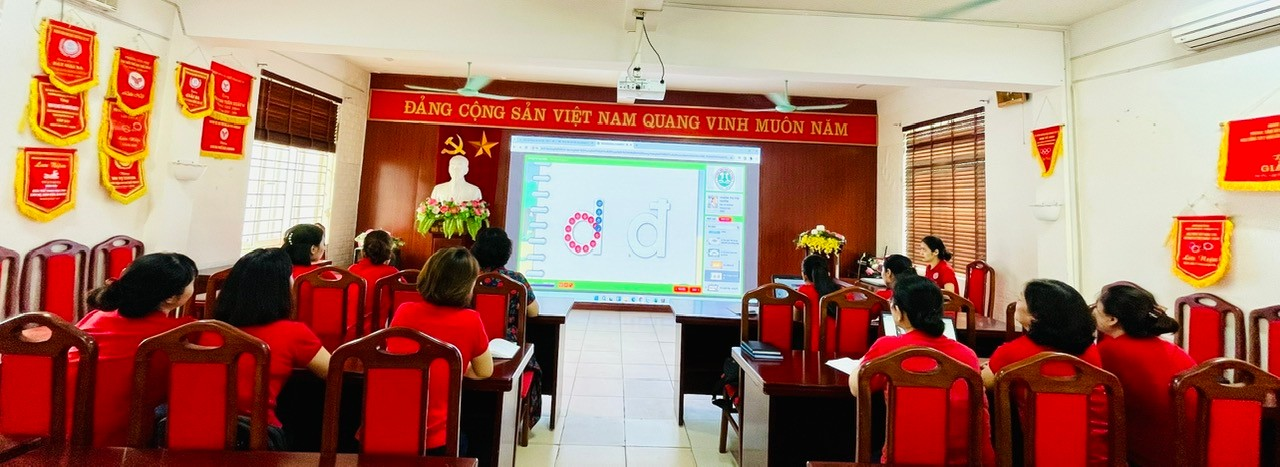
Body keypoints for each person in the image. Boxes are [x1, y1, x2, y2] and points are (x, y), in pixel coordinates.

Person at [851, 274, 995, 466]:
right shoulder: (966, 354)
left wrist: (862, 361)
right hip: (962, 461)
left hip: (901, 460)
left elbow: (856, 387)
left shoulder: (887, 347)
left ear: (898, 312)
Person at [69, 253, 197, 447]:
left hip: (66, 428)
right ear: (172, 297)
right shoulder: (182, 333)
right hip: (123, 438)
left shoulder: (96, 317)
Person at [982, 279, 1109, 466]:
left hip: (1039, 455)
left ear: (1035, 316)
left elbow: (984, 384)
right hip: (1095, 454)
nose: (1016, 303)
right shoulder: (1090, 350)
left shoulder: (1012, 353)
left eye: (1020, 299)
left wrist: (991, 367)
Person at [213, 248, 331, 438]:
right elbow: (334, 371)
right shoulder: (293, 333)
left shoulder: (205, 331)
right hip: (256, 436)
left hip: (198, 432)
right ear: (280, 288)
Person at [389, 247, 494, 455]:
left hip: (388, 429)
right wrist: (456, 367)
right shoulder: (470, 320)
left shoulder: (404, 311)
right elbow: (484, 371)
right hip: (436, 439)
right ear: (467, 286)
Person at [1091, 282, 1194, 467]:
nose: (1092, 313)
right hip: (1191, 445)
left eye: (1097, 310)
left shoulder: (1109, 350)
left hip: (1153, 448)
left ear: (1112, 319)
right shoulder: (1167, 346)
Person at [470, 227, 544, 425]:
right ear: (506, 252)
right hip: (509, 349)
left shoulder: (468, 278)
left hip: (474, 348)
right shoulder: (516, 280)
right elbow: (533, 311)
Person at [349, 229, 400, 336]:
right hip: (378, 336)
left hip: (350, 334)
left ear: (363, 251)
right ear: (389, 253)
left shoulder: (352, 270)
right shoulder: (393, 274)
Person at [797, 253, 841, 349]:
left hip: (815, 346)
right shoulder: (840, 291)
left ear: (804, 275)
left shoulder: (803, 291)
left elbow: (795, 317)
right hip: (839, 345)